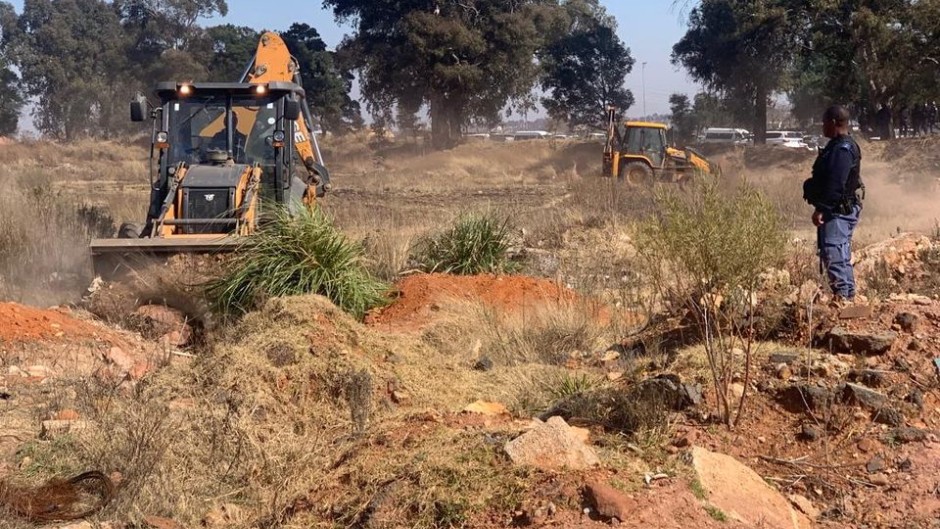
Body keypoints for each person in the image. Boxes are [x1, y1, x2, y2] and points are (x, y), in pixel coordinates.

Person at [803, 105, 864, 304]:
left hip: (837, 211)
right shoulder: (836, 146)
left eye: (824, 123)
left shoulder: (843, 149)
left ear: (833, 123)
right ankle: (846, 297)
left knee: (834, 251)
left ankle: (844, 298)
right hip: (835, 209)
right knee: (838, 251)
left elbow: (836, 183)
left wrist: (822, 209)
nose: (822, 127)